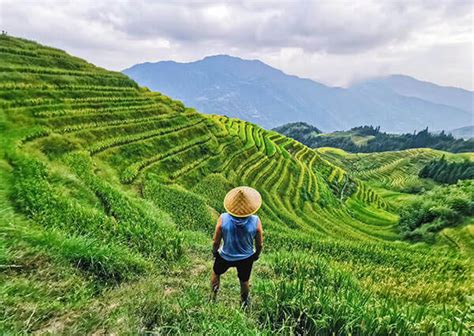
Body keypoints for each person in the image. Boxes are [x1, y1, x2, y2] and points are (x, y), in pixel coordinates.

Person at [211, 186, 263, 308]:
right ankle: (244, 303)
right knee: (244, 281)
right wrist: (256, 254)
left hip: (225, 255)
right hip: (246, 258)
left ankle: (213, 298)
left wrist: (214, 252)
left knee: (216, 273)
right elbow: (260, 243)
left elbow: (215, 241)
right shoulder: (256, 220)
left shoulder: (223, 218)